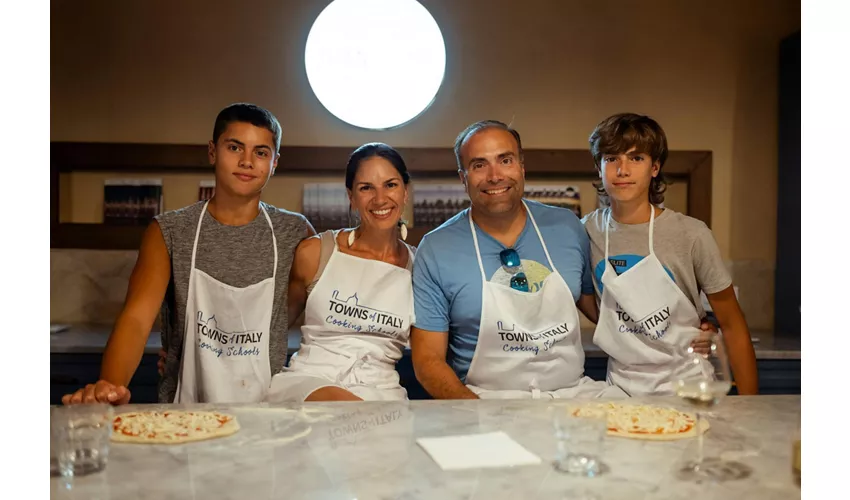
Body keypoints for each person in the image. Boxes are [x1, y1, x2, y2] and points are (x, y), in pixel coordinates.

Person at [62, 103, 314, 405]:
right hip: (183, 417)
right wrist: (110, 387)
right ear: (212, 151)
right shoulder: (169, 231)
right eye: (234, 147)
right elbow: (136, 320)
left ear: (274, 163)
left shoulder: (295, 233)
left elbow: (298, 317)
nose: (247, 161)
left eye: (260, 152)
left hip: (269, 417)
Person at [410, 120, 625, 399]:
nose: (494, 175)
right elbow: (427, 362)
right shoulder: (437, 248)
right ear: (463, 178)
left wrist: (685, 323)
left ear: (521, 167)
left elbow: (601, 310)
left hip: (570, 398)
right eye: (479, 165)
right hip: (484, 402)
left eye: (505, 160)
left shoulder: (567, 227)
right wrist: (477, 414)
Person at [583, 112, 759, 396]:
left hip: (688, 386)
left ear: (655, 168)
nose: (622, 169)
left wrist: (751, 408)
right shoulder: (585, 232)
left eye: (636, 158)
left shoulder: (691, 234)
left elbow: (732, 323)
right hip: (620, 390)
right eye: (611, 158)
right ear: (599, 167)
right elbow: (586, 297)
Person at [265, 143, 416, 402]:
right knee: (350, 413)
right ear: (351, 196)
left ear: (405, 192)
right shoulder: (316, 253)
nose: (380, 199)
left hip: (383, 394)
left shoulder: (421, 267)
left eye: (390, 185)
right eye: (366, 188)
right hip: (311, 385)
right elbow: (272, 329)